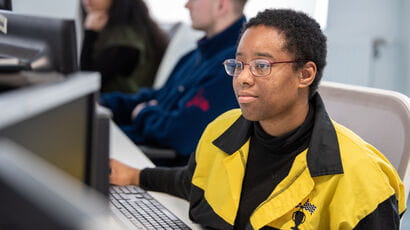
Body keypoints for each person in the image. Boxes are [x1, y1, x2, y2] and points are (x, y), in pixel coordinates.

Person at [109, 9, 406, 229]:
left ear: (305, 74)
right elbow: (193, 182)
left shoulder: (361, 178)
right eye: (238, 64)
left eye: (261, 65)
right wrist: (136, 176)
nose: (243, 78)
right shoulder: (220, 130)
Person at [101, 0, 247, 165]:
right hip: (144, 148)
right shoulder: (194, 56)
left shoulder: (232, 67)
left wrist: (143, 113)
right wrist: (102, 102)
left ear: (221, 6)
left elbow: (182, 134)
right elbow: (160, 97)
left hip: (163, 170)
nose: (187, 6)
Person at [80, 0, 168, 93]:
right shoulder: (133, 29)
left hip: (121, 104)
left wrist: (90, 33)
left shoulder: (125, 42)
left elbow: (87, 83)